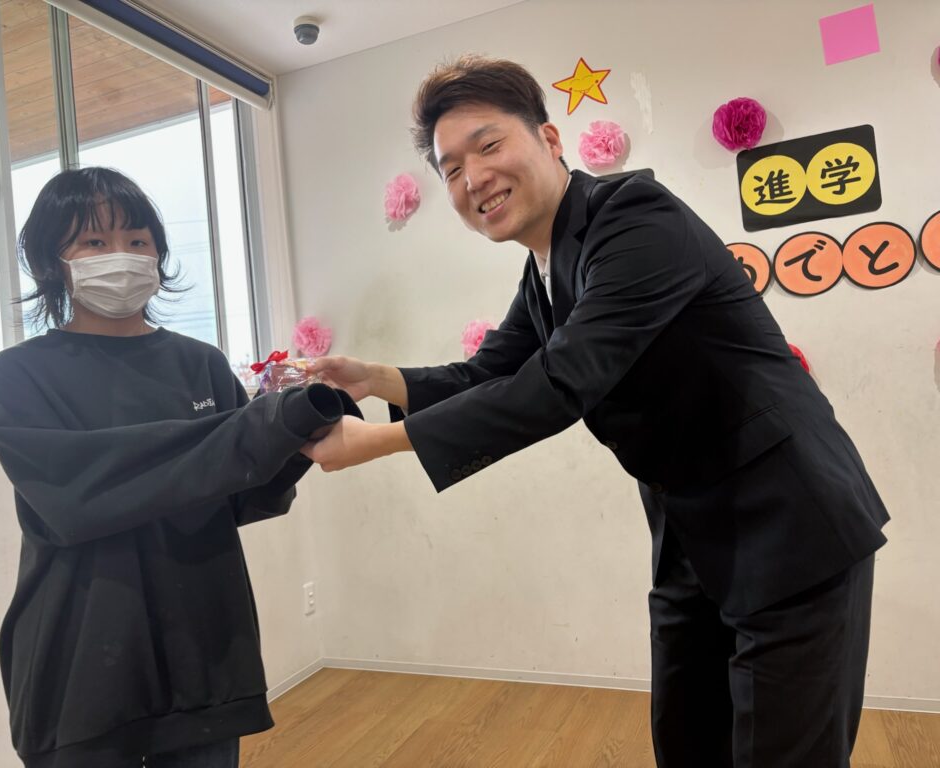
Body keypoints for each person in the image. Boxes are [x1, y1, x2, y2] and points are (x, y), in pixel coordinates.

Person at [302, 56, 889, 767]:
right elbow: (489, 372)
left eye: (488, 146)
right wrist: (374, 378)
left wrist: (378, 442)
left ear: (550, 140)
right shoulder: (545, 269)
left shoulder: (636, 216)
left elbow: (561, 380)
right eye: (451, 169)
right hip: (690, 533)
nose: (473, 178)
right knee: (687, 741)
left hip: (789, 521)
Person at [0, 167, 355, 768]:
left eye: (137, 240)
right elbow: (75, 497)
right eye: (94, 241)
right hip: (83, 661)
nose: (122, 256)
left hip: (202, 653)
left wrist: (298, 430)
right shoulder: (19, 374)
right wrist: (255, 431)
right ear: (53, 261)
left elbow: (241, 496)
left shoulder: (200, 364)